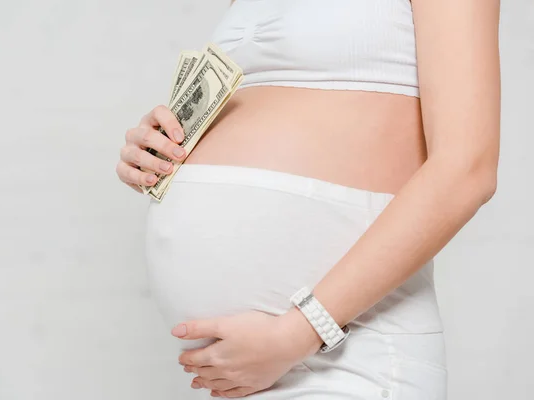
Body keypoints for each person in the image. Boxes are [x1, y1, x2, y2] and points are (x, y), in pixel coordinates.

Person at [116, 0, 500, 398]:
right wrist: (159, 150)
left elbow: (466, 170)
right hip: (238, 372)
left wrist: (300, 332)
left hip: (344, 353)